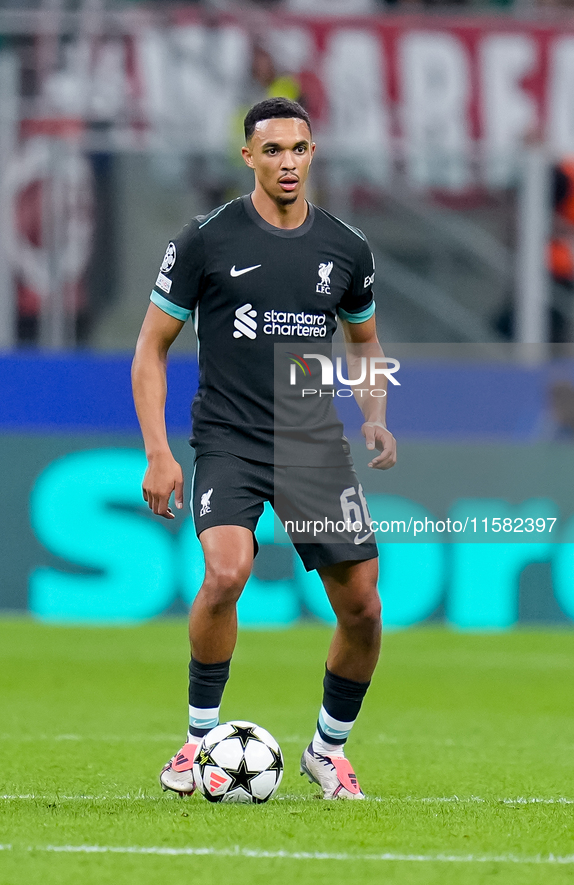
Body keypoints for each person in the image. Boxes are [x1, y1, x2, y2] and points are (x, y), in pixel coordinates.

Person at [132, 97, 396, 800]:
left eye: (298, 149)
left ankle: (326, 749)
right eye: (272, 150)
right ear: (247, 157)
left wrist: (374, 413)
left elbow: (364, 343)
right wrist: (159, 452)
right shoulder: (205, 240)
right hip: (229, 440)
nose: (287, 162)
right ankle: (195, 743)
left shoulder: (345, 248)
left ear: (312, 155)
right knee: (225, 573)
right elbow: (150, 351)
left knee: (364, 608)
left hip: (311, 444)